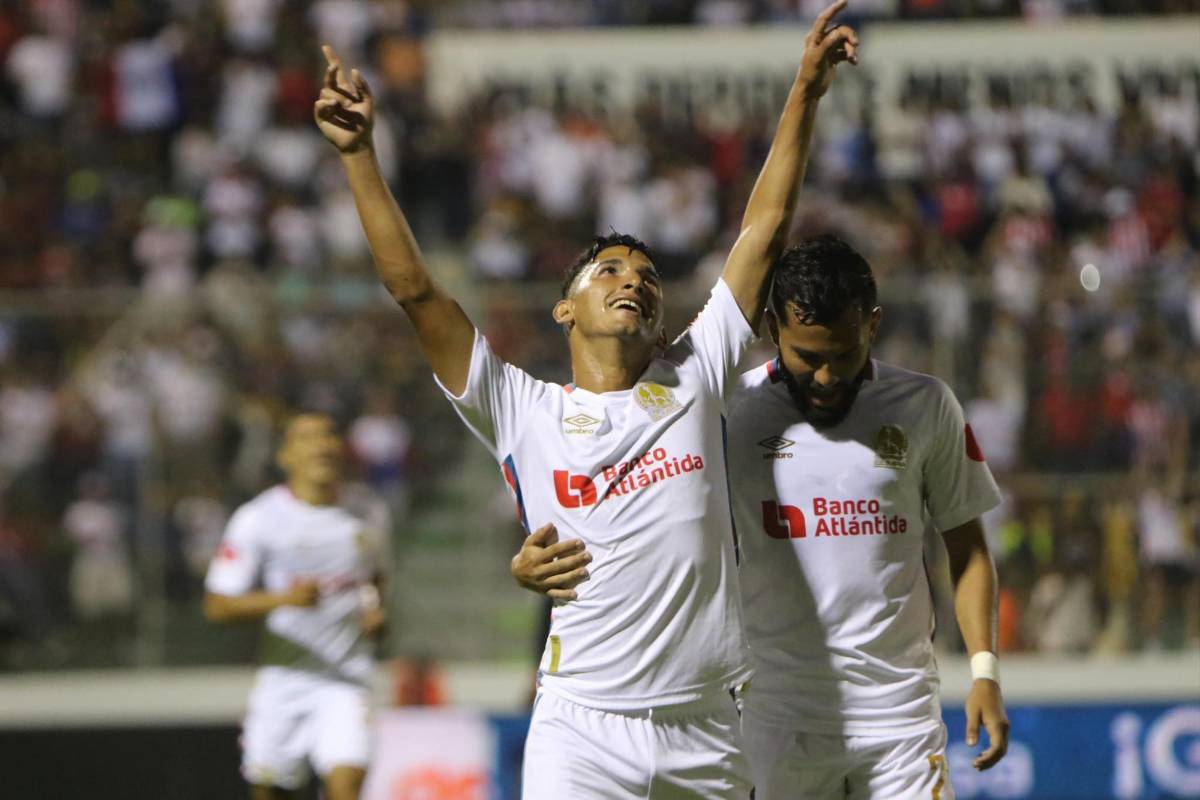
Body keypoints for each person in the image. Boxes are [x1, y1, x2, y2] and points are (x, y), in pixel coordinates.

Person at [312, 3, 857, 796]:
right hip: (583, 729)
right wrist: (360, 155)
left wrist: (804, 90)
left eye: (646, 276)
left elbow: (765, 234)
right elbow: (413, 290)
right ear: (564, 309)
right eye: (608, 271)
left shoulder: (697, 370)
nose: (631, 279)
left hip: (709, 724)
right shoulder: (519, 407)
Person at [515, 236, 1010, 799]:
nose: (825, 377)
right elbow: (634, 516)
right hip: (771, 722)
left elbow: (967, 549)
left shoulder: (927, 405)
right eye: (808, 358)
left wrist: (985, 671)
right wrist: (531, 564)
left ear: (873, 326)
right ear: (773, 328)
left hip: (899, 719)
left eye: (843, 356)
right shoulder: (723, 413)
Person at [204, 413, 390, 800]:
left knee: (346, 785)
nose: (321, 446)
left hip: (346, 678)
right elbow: (217, 605)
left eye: (328, 436)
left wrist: (376, 611)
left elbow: (375, 578)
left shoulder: (368, 512)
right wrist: (285, 599)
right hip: (282, 682)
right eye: (307, 438)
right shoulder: (258, 519)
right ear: (285, 455)